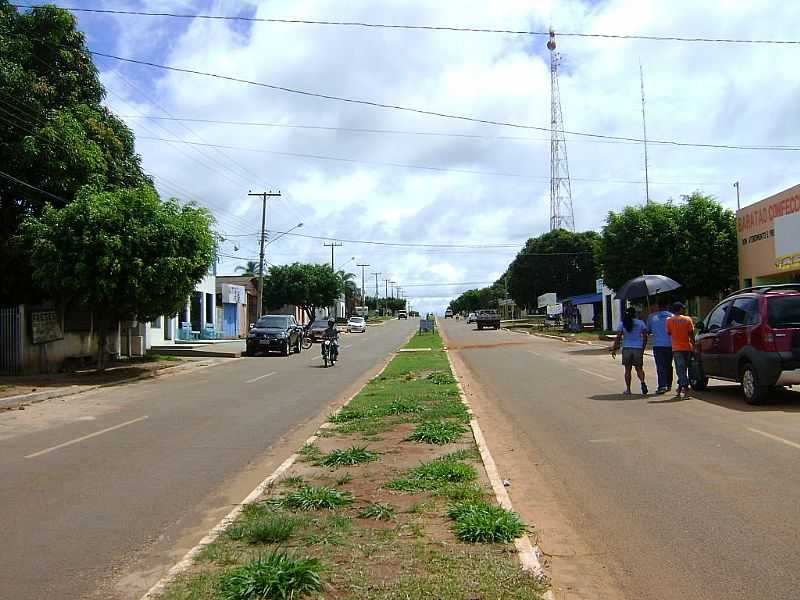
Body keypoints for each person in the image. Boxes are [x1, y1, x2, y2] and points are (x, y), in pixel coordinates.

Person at [611, 306, 649, 395]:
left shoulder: (622, 324)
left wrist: (614, 349)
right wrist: (643, 347)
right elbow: (645, 336)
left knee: (628, 370)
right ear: (635, 314)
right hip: (638, 348)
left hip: (627, 348)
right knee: (639, 368)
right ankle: (643, 382)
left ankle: (628, 389)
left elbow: (618, 337)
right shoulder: (641, 323)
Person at [666, 302, 695, 398]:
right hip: (687, 347)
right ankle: (683, 387)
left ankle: (683, 387)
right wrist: (694, 345)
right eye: (683, 308)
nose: (684, 310)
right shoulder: (687, 319)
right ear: (679, 309)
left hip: (676, 348)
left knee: (680, 370)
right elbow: (691, 334)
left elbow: (669, 333)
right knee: (684, 369)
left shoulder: (669, 320)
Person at [647, 300, 674, 394]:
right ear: (667, 306)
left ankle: (662, 385)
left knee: (660, 365)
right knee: (668, 365)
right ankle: (669, 384)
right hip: (670, 344)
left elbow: (648, 330)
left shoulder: (652, 317)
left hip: (658, 344)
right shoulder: (672, 316)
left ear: (658, 306)